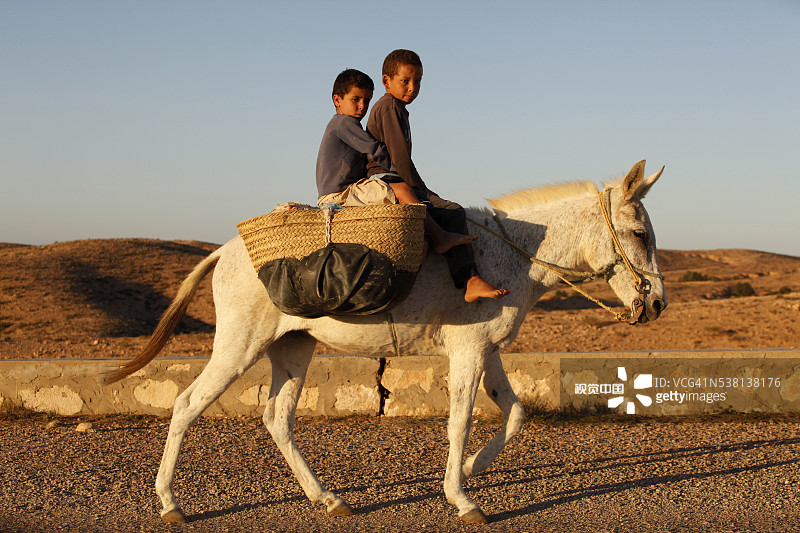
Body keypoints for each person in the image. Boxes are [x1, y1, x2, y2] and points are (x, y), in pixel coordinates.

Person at [366, 50, 508, 302]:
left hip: (394, 177)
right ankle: (469, 280)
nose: (412, 88)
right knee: (452, 211)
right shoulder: (389, 107)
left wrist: (424, 190)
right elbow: (399, 162)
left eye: (418, 81)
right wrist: (424, 193)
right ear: (386, 81)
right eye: (405, 81)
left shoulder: (397, 108)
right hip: (386, 180)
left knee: (445, 208)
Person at [316, 69, 475, 255]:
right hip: (339, 194)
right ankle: (439, 236)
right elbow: (374, 149)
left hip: (346, 189)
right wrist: (397, 171)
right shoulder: (344, 123)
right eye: (355, 100)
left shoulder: (343, 124)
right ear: (337, 100)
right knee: (402, 190)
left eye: (366, 101)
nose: (362, 106)